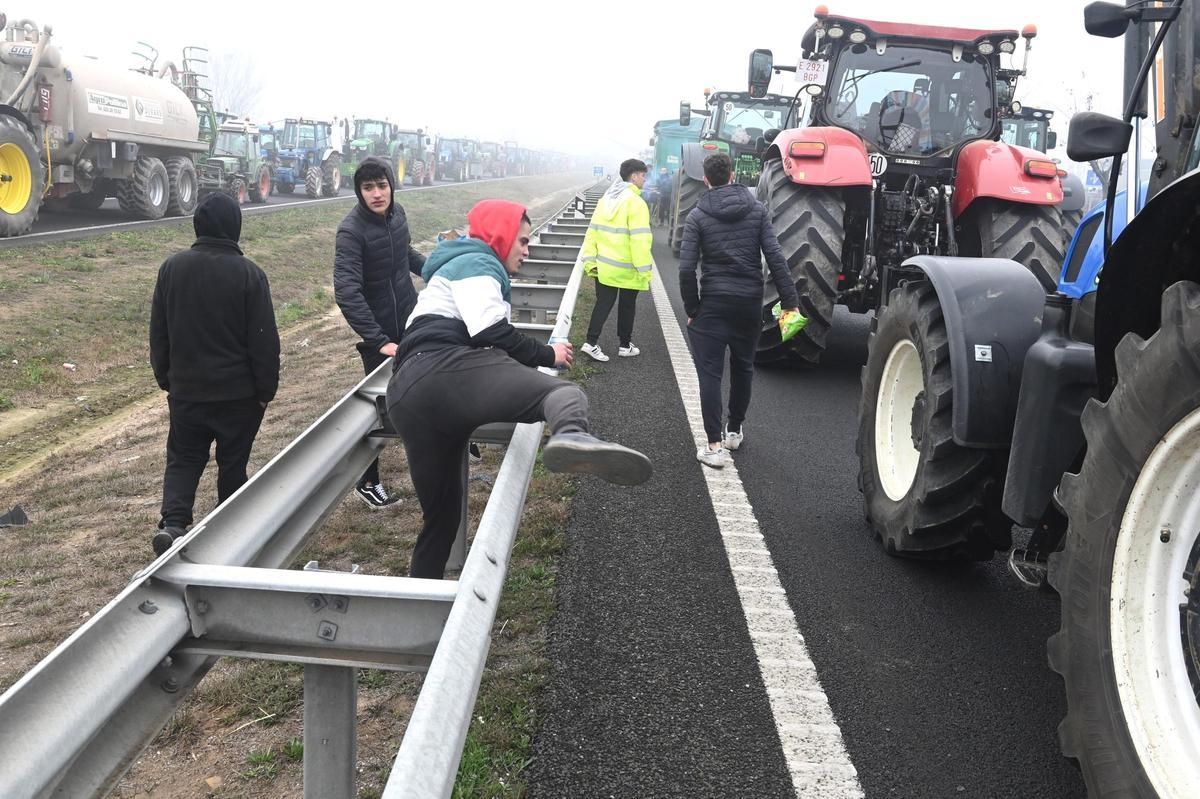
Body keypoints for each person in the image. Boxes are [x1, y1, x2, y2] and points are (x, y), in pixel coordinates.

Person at [386, 199, 653, 578]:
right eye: (523, 242)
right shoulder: (478, 262)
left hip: (406, 396)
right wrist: (549, 353)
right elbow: (490, 330)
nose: (526, 251)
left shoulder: (448, 270)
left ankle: (417, 613)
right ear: (501, 236)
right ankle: (573, 435)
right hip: (447, 369)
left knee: (441, 520)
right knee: (563, 394)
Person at [149, 193, 280, 555]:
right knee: (232, 463)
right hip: (238, 396)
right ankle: (229, 529)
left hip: (187, 391)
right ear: (235, 226)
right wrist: (265, 390)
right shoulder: (250, 275)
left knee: (183, 458)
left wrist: (167, 379)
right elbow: (264, 341)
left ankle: (173, 524)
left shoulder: (171, 268)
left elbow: (159, 331)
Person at [678, 152, 800, 468]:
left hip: (714, 305)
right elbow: (776, 259)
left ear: (705, 179)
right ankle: (734, 430)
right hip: (748, 305)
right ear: (732, 175)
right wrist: (790, 304)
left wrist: (693, 308)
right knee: (744, 367)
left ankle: (714, 447)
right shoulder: (757, 211)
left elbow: (686, 269)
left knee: (710, 373)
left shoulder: (696, 216)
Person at [334, 156, 425, 508]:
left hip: (411, 320)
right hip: (380, 337)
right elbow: (347, 292)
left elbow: (404, 254)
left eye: (382, 185)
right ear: (359, 192)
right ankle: (368, 481)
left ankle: (457, 439)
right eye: (368, 187)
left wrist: (437, 267)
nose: (376, 193)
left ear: (391, 185)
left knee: (428, 384)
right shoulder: (351, 231)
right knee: (377, 409)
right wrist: (379, 340)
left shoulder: (398, 214)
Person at [579, 159, 653, 362]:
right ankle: (624, 345)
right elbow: (640, 239)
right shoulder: (636, 203)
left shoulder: (606, 199)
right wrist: (644, 270)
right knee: (627, 305)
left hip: (604, 266)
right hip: (628, 268)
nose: (645, 179)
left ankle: (591, 343)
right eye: (643, 175)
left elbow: (592, 231)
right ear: (634, 176)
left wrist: (589, 260)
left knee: (603, 303)